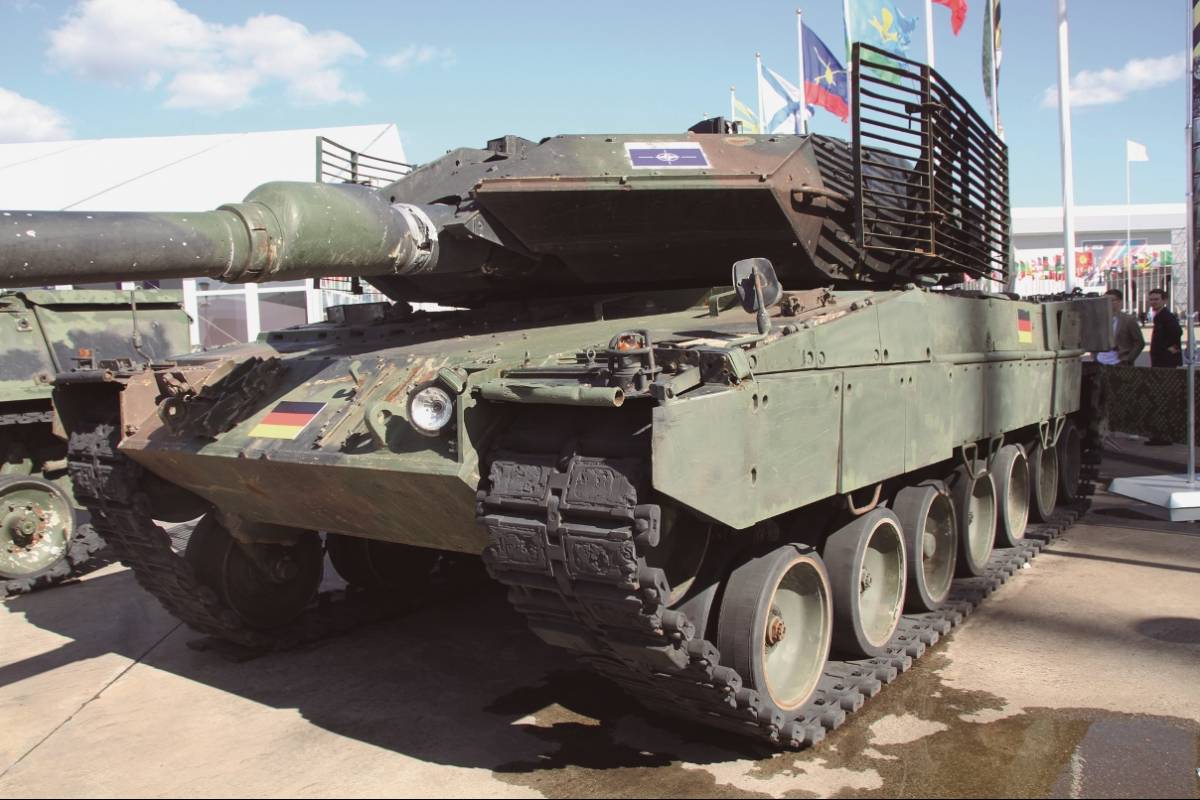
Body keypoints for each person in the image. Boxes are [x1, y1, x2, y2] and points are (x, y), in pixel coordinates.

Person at [1096, 289, 1144, 366]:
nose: (1108, 303)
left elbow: (1139, 342)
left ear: (1119, 301)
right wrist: (1094, 355)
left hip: (1120, 362)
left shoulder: (1128, 320)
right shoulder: (1100, 320)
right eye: (1105, 300)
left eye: (1112, 300)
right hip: (1100, 361)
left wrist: (1129, 359)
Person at [1148, 288, 1183, 368]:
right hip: (1160, 359)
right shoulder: (1159, 316)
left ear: (1164, 301)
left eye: (1156, 299)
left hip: (1166, 360)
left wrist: (1167, 349)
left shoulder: (1167, 316)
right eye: (1151, 299)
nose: (1153, 302)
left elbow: (1178, 332)